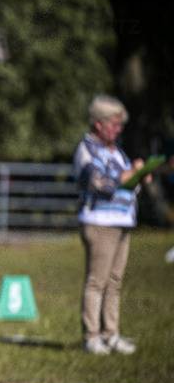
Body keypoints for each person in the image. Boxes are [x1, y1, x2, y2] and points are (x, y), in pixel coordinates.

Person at [74, 94, 151, 355]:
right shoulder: (87, 149)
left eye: (120, 126)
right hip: (99, 222)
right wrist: (129, 173)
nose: (118, 130)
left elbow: (127, 184)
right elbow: (98, 183)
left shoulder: (116, 151)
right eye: (114, 125)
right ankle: (92, 336)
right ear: (98, 123)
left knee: (114, 282)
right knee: (97, 281)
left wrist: (140, 175)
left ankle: (111, 334)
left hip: (121, 221)